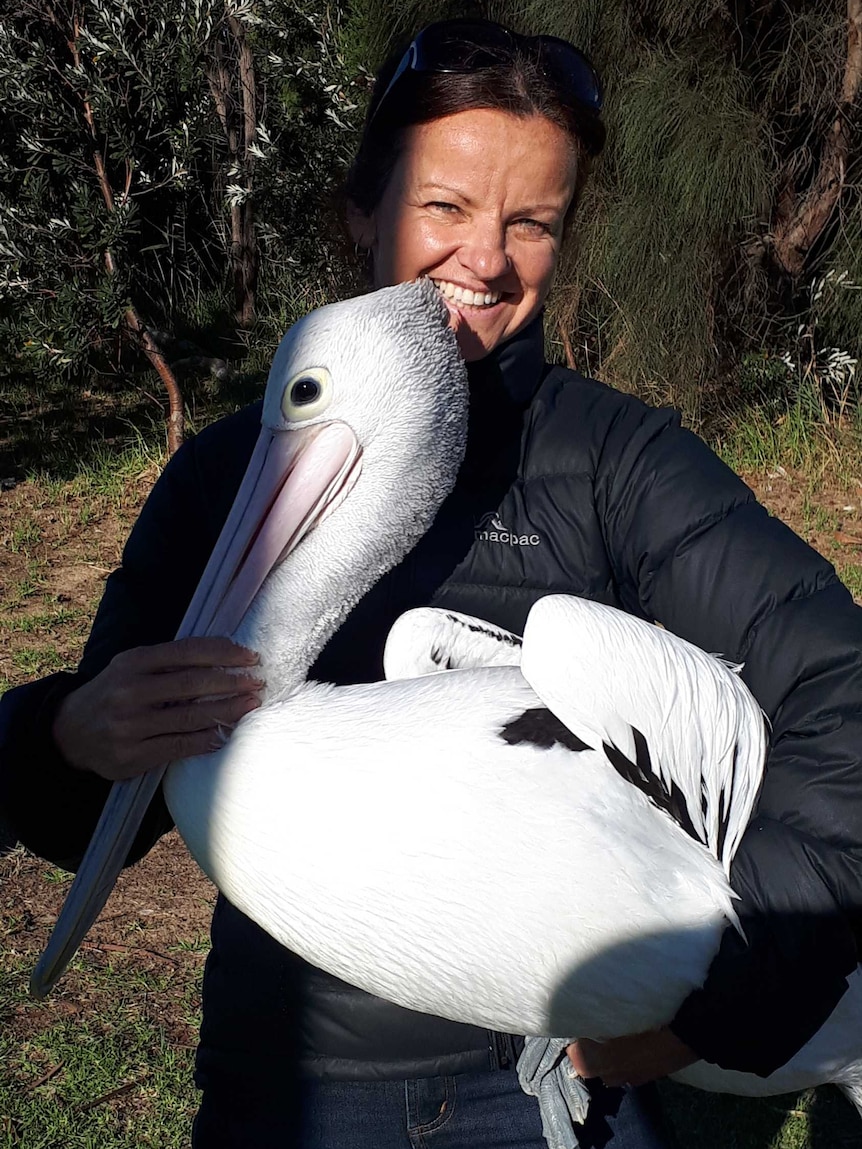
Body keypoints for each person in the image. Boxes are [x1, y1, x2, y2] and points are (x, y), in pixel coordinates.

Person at [2, 16, 861, 1148]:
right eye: (444, 207)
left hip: (554, 1082)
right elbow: (96, 811)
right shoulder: (237, 475)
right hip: (296, 1070)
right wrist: (67, 730)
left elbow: (838, 697)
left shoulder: (614, 461)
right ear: (362, 212)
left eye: (531, 222)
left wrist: (724, 1008)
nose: (486, 259)